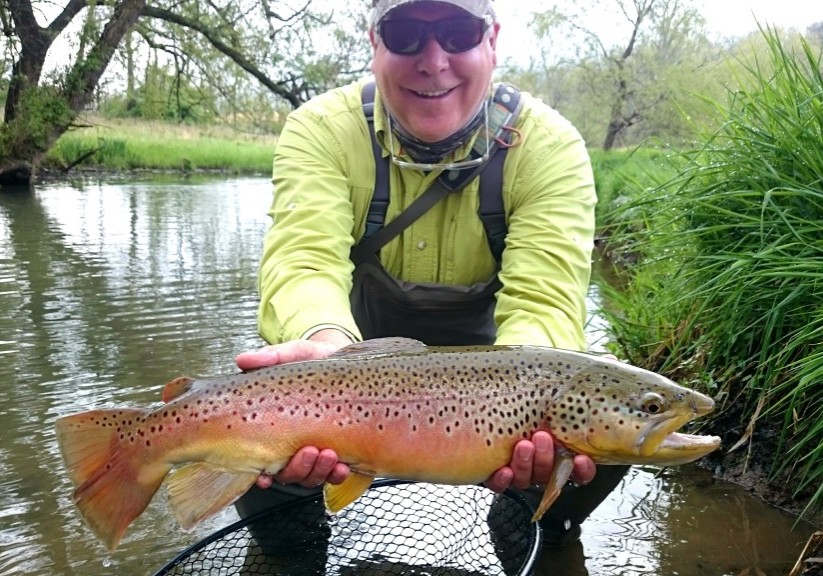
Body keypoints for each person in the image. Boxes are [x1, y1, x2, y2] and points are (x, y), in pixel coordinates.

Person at [234, 0, 628, 563]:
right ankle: (292, 556)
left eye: (457, 32)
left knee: (609, 435)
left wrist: (538, 409)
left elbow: (546, 301)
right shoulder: (322, 129)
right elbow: (304, 266)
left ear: (491, 40)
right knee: (258, 422)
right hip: (350, 367)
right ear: (375, 43)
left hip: (499, 389)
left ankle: (528, 536)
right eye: (407, 35)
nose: (433, 60)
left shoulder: (549, 147)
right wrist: (326, 355)